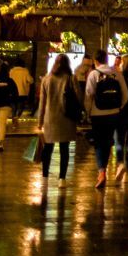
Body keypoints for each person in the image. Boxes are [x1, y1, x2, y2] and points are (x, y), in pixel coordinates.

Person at [80, 49, 128, 189]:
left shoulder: (94, 74)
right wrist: (119, 107)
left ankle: (101, 172)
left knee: (98, 143)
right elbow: (125, 94)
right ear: (107, 59)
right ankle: (103, 169)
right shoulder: (117, 74)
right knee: (107, 142)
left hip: (97, 114)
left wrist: (88, 113)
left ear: (95, 61)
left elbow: (89, 96)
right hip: (113, 114)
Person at [34, 54, 81, 186]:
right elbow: (79, 98)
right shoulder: (71, 79)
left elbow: (42, 103)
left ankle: (44, 176)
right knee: (64, 149)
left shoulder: (46, 79)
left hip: (50, 119)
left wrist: (40, 122)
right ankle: (62, 179)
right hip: (67, 119)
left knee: (47, 148)